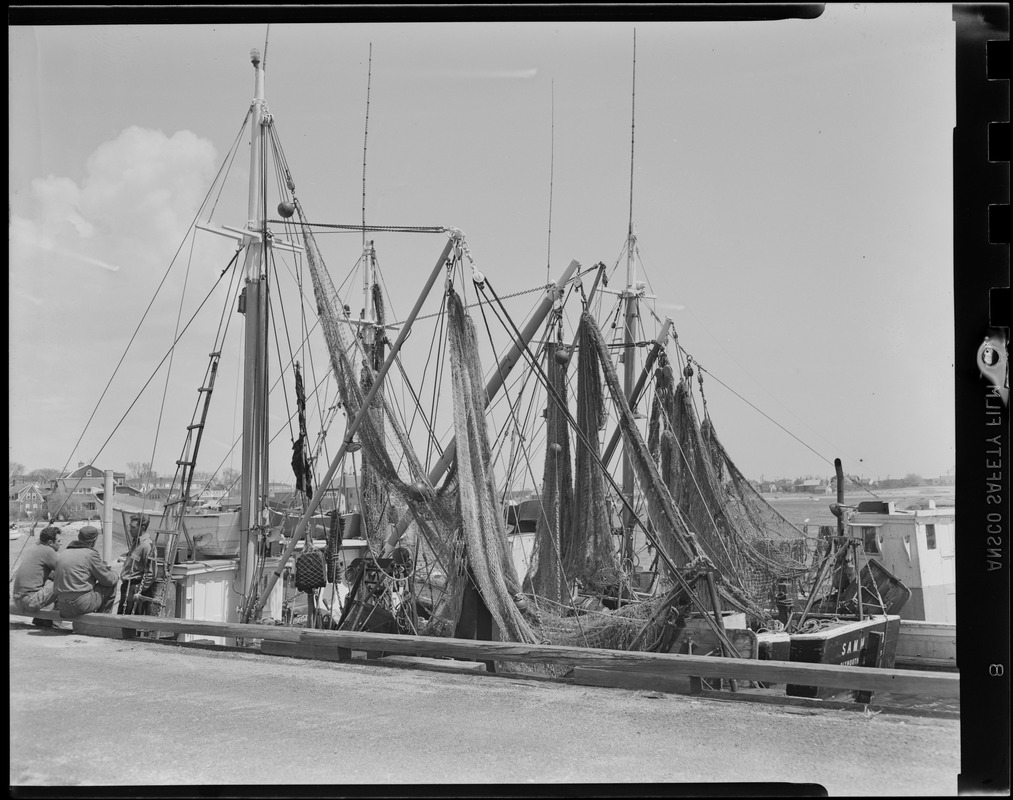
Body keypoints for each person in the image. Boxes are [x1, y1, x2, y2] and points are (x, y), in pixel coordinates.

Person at [54, 526, 119, 618]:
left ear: (79, 537)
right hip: (80, 605)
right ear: (95, 539)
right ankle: (102, 621)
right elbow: (108, 580)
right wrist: (115, 573)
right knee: (111, 584)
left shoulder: (63, 553)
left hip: (62, 606)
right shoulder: (90, 554)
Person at [11, 526, 61, 628]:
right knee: (65, 582)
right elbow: (66, 570)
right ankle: (56, 622)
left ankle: (42, 620)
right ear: (51, 542)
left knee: (50, 581)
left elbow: (44, 572)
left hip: (18, 600)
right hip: (29, 602)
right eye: (59, 541)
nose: (61, 543)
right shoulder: (48, 551)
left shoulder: (34, 548)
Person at [117, 514, 156, 614]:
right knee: (122, 616)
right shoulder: (136, 542)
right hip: (127, 586)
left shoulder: (146, 545)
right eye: (130, 526)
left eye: (133, 527)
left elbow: (152, 573)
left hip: (134, 587)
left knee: (130, 618)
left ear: (142, 527)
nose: (130, 530)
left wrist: (139, 590)